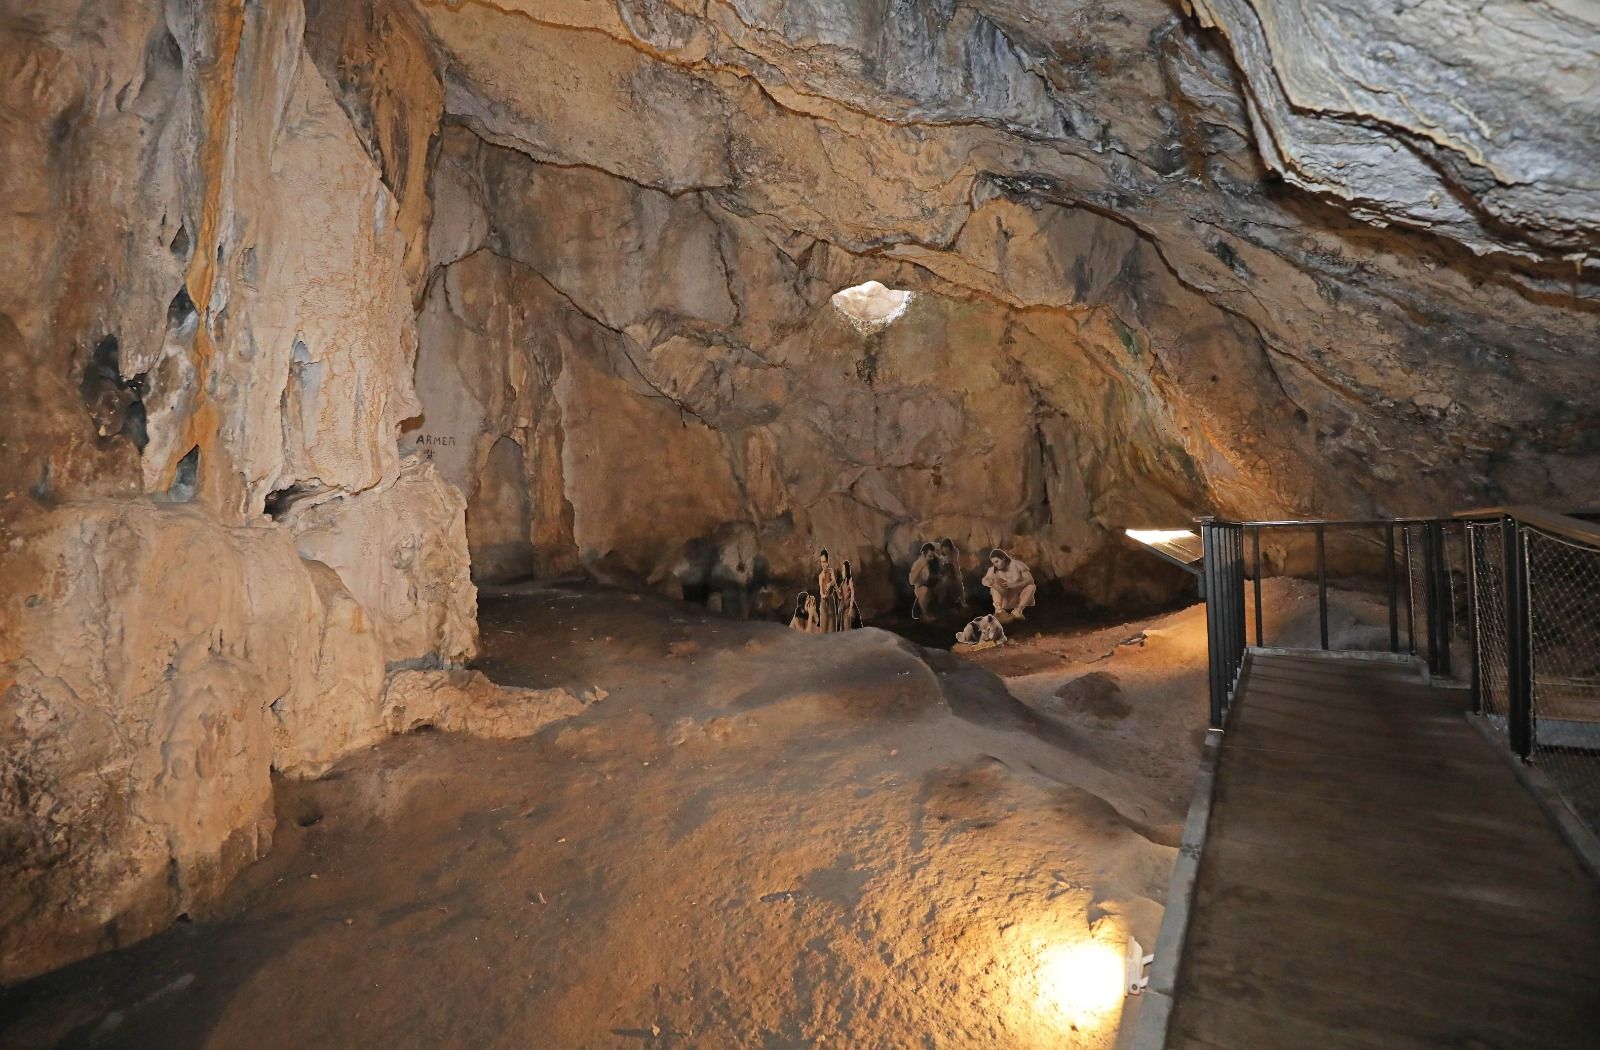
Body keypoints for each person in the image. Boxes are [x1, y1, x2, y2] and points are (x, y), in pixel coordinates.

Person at [983, 548, 1036, 622]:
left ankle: (1018, 611)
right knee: (994, 586)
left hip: (1019, 598)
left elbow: (1030, 580)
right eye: (993, 563)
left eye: (997, 561)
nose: (995, 564)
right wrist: (989, 581)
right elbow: (984, 580)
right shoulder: (993, 569)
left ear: (1003, 558)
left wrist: (1013, 585)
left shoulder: (1017, 565)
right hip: (1006, 600)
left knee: (1031, 587)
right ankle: (999, 611)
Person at [908, 542, 941, 620]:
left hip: (931, 587)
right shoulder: (919, 563)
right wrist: (922, 566)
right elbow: (911, 581)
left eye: (933, 556)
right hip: (921, 591)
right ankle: (924, 614)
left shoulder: (933, 561)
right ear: (924, 554)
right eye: (930, 556)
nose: (932, 558)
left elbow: (932, 575)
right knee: (925, 590)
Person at [935, 538, 967, 611]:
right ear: (942, 549)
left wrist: (958, 575)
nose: (946, 552)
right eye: (944, 550)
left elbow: (956, 564)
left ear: (951, 549)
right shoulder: (939, 552)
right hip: (942, 571)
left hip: (951, 570)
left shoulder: (955, 552)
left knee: (959, 583)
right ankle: (942, 602)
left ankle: (962, 601)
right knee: (943, 583)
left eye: (947, 550)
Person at [817, 549, 839, 632]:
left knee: (832, 627)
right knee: (824, 629)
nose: (823, 564)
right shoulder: (820, 575)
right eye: (822, 562)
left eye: (824, 562)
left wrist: (830, 584)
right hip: (823, 602)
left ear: (827, 562)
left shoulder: (831, 571)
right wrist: (823, 595)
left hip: (830, 600)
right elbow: (821, 592)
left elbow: (833, 581)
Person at [840, 561, 862, 629]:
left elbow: (852, 593)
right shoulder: (842, 582)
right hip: (844, 607)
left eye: (843, 570)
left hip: (849, 607)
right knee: (844, 627)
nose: (842, 572)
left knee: (848, 626)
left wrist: (850, 608)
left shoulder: (849, 580)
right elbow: (841, 595)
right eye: (842, 570)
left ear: (846, 570)